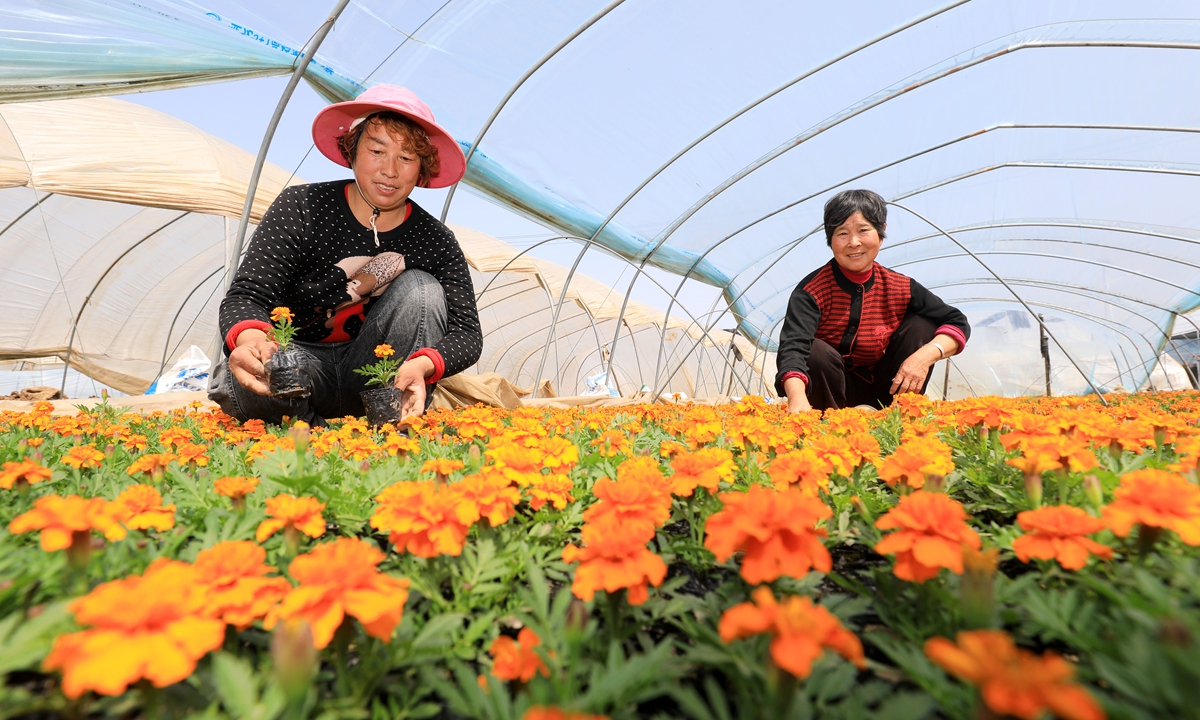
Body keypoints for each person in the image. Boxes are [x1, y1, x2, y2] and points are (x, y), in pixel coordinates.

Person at [209, 84, 482, 425]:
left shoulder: (435, 240)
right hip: (298, 365)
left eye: (407, 158)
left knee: (422, 290)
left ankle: (390, 419)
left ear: (422, 168)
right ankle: (309, 428)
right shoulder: (302, 207)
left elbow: (467, 333)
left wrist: (423, 364)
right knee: (256, 373)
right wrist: (250, 340)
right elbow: (247, 295)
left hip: (377, 375)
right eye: (377, 151)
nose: (390, 170)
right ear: (352, 150)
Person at [774, 189, 970, 412]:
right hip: (831, 398)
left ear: (881, 231)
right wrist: (797, 399)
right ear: (830, 238)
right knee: (813, 350)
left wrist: (924, 357)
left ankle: (900, 416)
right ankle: (831, 429)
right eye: (842, 233)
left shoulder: (901, 287)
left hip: (888, 390)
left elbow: (957, 321)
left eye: (863, 230)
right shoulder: (811, 291)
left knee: (921, 325)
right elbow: (793, 350)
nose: (854, 242)